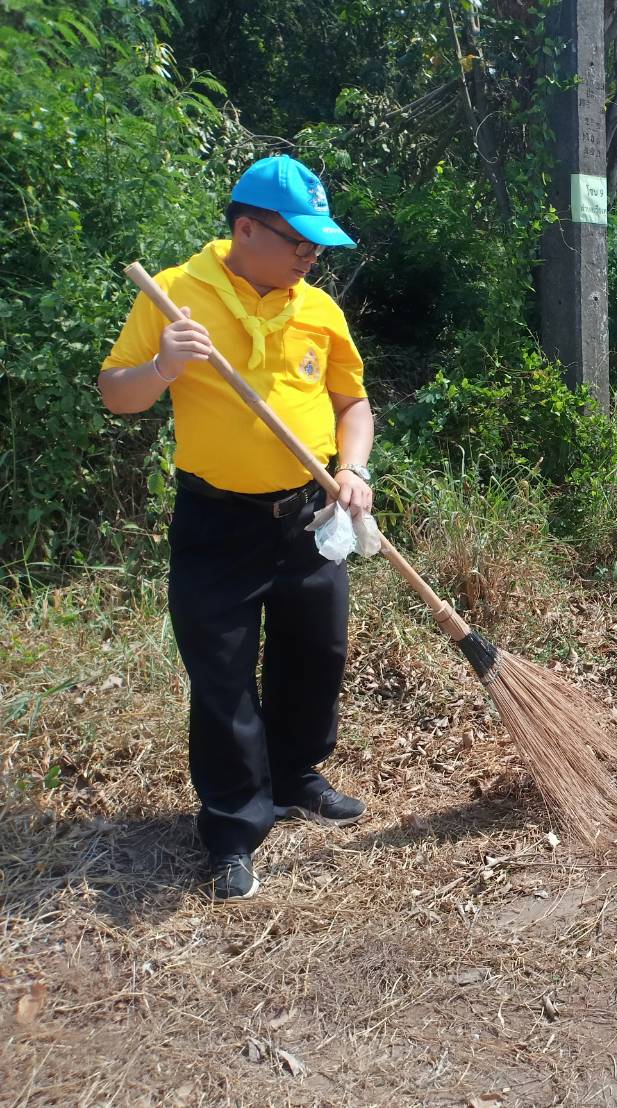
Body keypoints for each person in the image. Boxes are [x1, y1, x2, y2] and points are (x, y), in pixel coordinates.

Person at [98, 156, 373, 901]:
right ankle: (231, 825)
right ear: (246, 228)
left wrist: (353, 470)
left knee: (316, 653)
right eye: (299, 243)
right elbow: (115, 392)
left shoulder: (316, 308)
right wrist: (160, 366)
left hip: (309, 517)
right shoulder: (179, 296)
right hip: (217, 523)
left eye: (316, 248)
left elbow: (353, 403)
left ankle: (297, 776)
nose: (309, 258)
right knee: (221, 677)